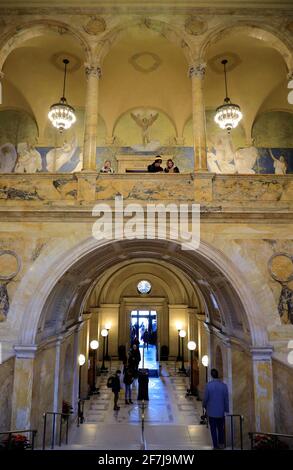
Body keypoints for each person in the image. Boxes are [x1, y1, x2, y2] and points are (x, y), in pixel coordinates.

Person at [203, 368, 229, 450]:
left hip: (211, 412)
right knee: (221, 428)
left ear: (211, 375)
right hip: (221, 412)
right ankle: (221, 443)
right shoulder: (224, 386)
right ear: (218, 375)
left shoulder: (208, 385)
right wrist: (226, 410)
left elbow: (205, 398)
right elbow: (226, 399)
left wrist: (204, 405)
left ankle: (215, 445)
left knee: (213, 429)